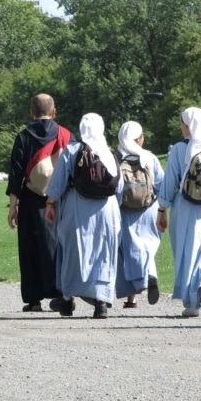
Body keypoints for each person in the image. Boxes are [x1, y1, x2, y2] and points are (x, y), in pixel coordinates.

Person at [45, 113, 122, 319]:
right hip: (108, 210)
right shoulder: (109, 153)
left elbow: (58, 181)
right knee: (103, 253)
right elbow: (120, 187)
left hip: (77, 207)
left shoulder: (72, 150)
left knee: (73, 251)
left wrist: (50, 203)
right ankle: (101, 301)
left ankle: (68, 299)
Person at [156, 107, 201, 318]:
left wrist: (162, 208)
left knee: (189, 252)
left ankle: (192, 303)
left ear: (187, 125)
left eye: (182, 123)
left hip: (186, 206)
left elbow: (170, 182)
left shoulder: (180, 149)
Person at [6, 93, 70, 312]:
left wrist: (13, 206)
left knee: (30, 247)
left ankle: (34, 300)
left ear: (31, 113)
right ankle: (61, 293)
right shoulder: (66, 135)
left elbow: (15, 174)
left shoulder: (23, 137)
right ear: (54, 111)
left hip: (32, 199)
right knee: (58, 246)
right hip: (60, 199)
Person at [114, 121, 164, 307]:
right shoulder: (149, 158)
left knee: (129, 251)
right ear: (138, 138)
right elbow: (161, 183)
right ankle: (150, 275)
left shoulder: (116, 158)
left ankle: (132, 294)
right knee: (148, 247)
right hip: (149, 207)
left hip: (125, 210)